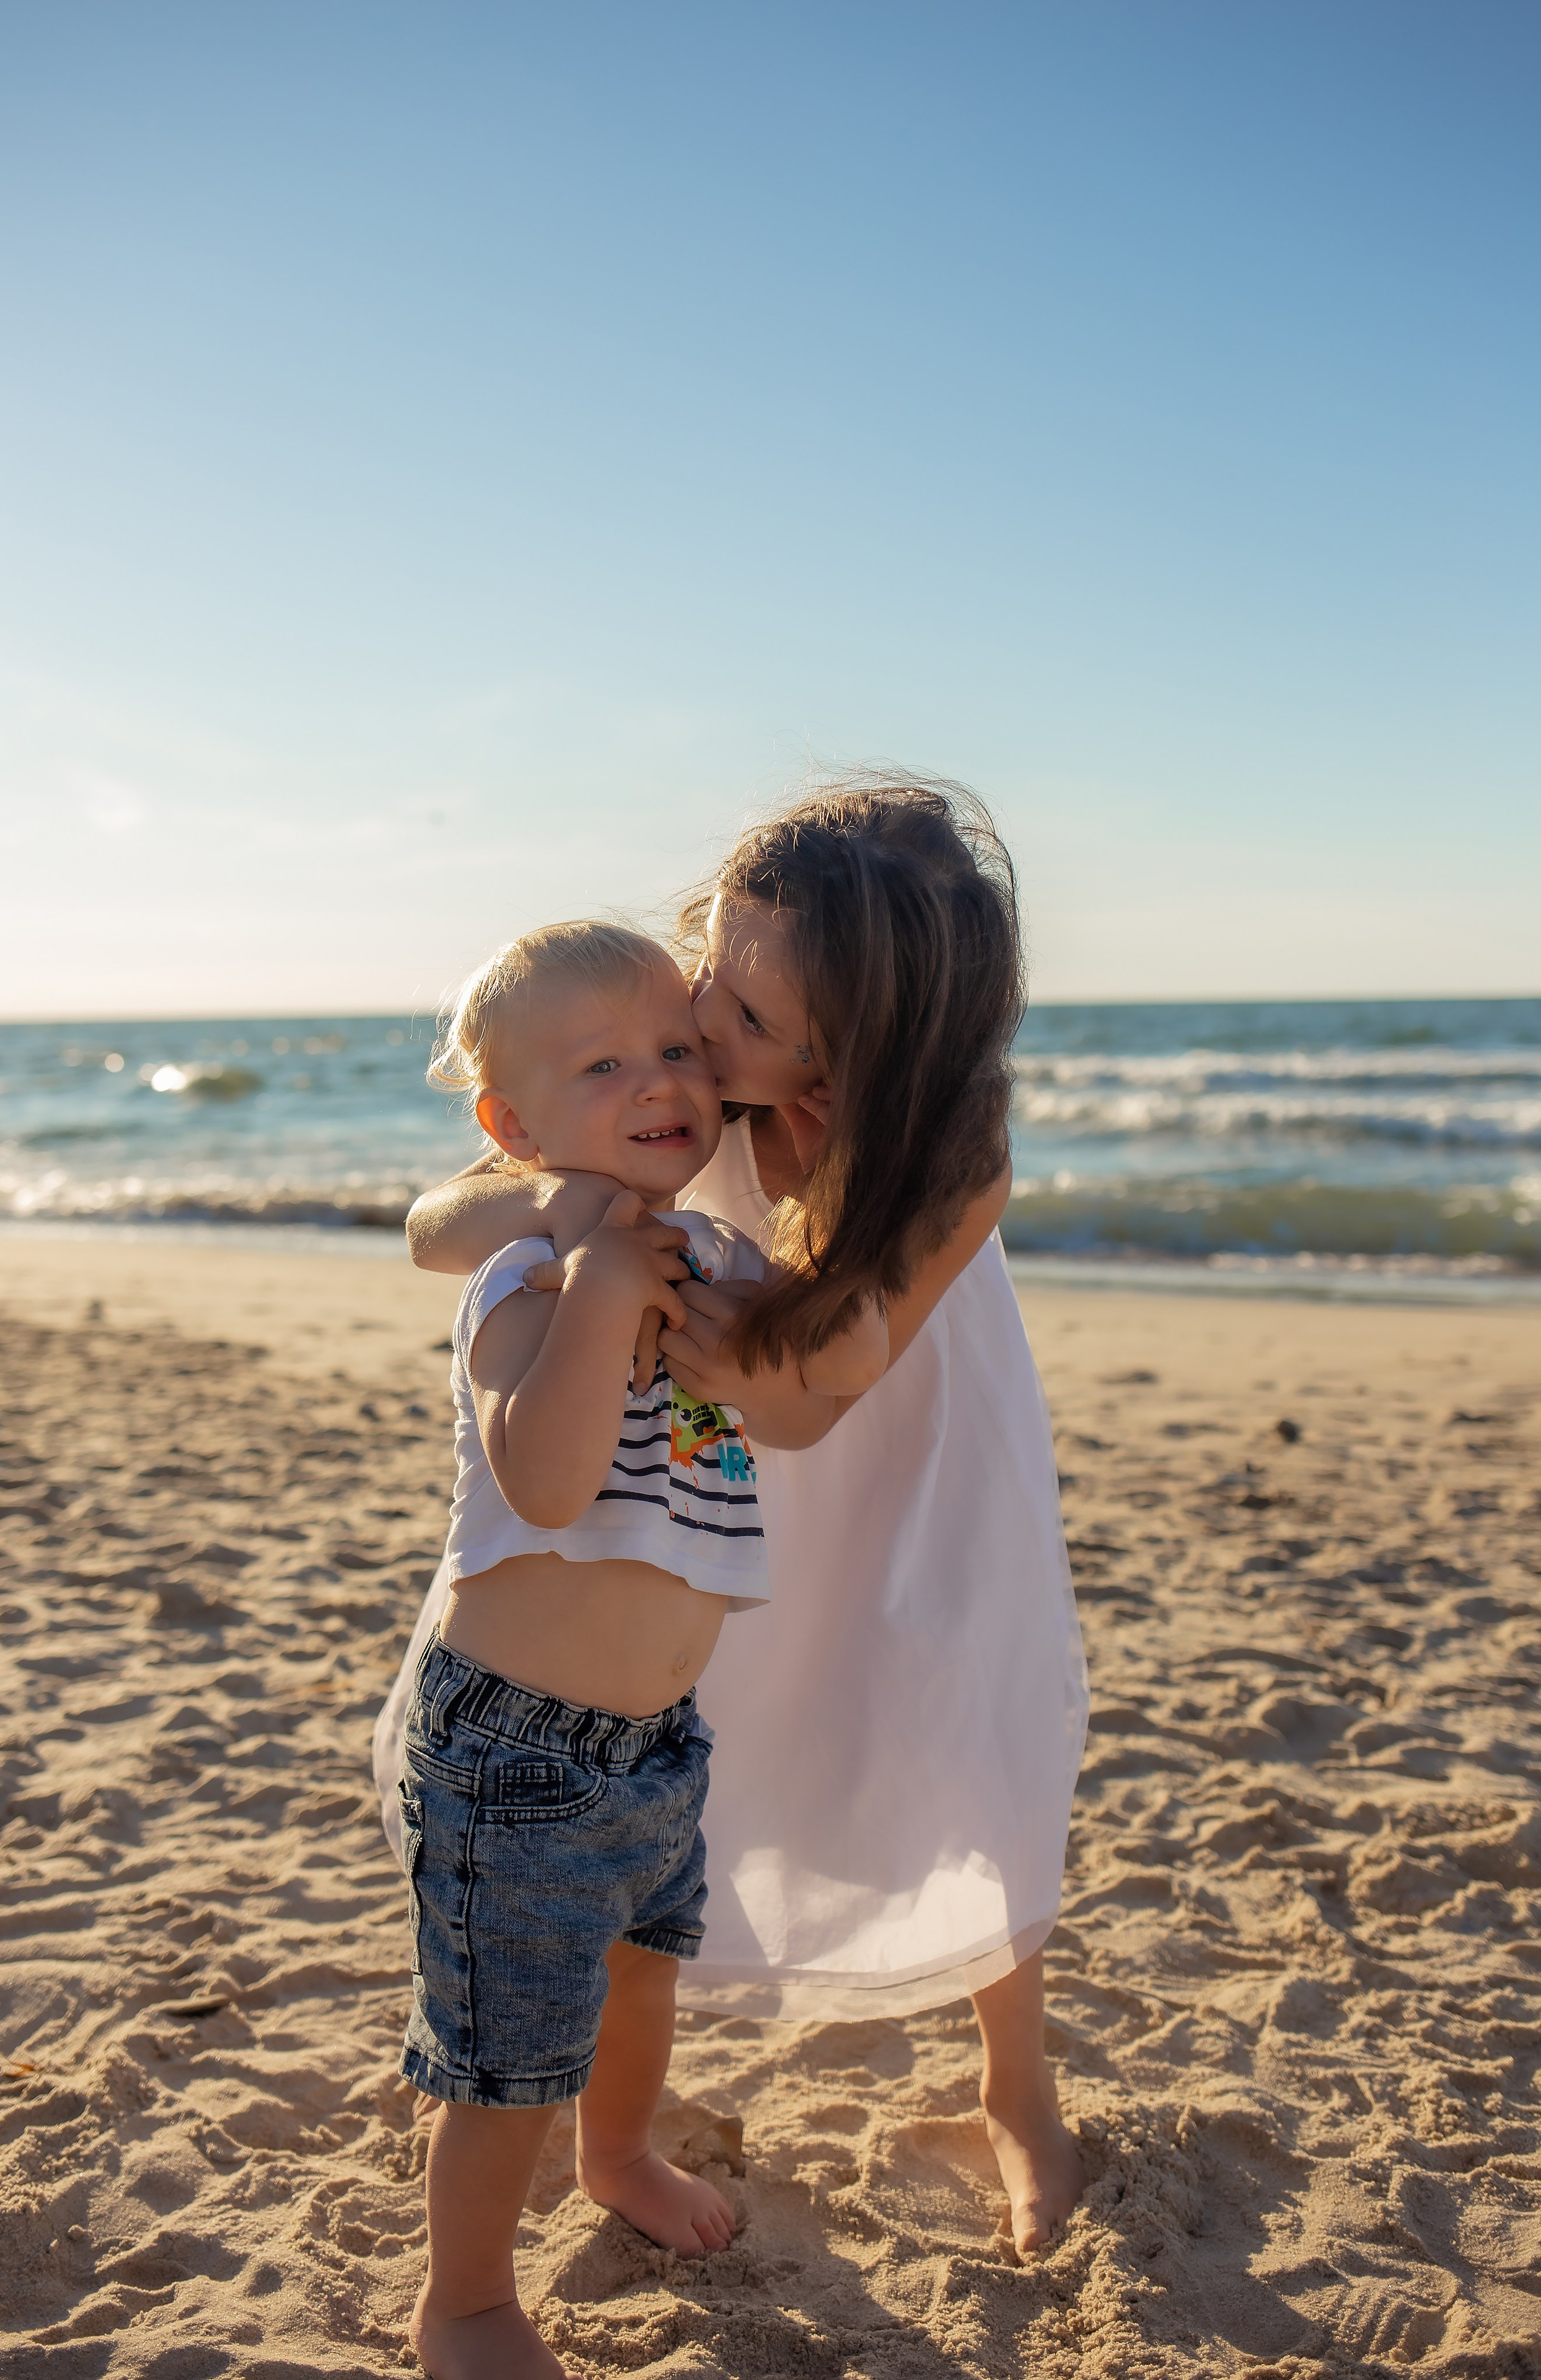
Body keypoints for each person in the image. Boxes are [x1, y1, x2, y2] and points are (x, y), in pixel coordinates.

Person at [384, 776, 1090, 2272]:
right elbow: (442, 1220)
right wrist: (577, 1221)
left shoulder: (948, 1140)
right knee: (717, 1743)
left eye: (751, 1025)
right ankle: (619, 2093)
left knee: (961, 1712)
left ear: (852, 1050)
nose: (705, 1031)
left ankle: (1015, 2081)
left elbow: (805, 1398)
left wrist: (680, 1295)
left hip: (885, 1425)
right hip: (698, 1469)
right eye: (713, 968)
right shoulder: (670, 1067)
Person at [395, 920, 884, 2380]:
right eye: (600, 1062)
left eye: (675, 1046)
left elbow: (808, 1365)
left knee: (638, 1983)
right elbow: (541, 1486)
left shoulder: (718, 1252)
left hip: (655, 1744)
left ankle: (616, 2161)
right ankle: (467, 2299)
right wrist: (599, 1288)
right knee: (503, 2065)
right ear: (514, 1127)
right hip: (515, 1749)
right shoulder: (530, 1281)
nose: (657, 1078)